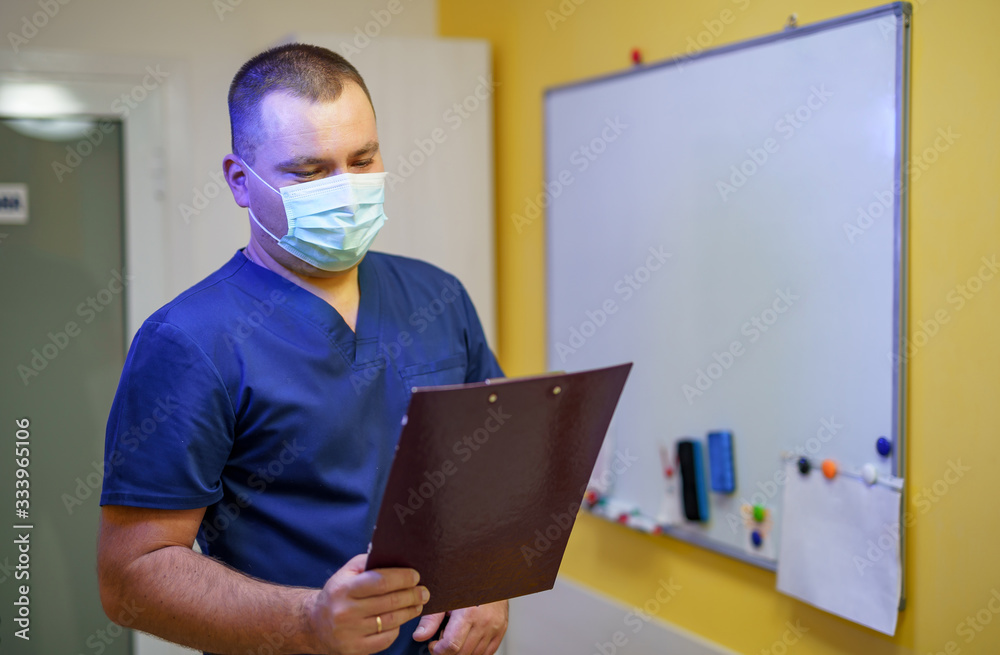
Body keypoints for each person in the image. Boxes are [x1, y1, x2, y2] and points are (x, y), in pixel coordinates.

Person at [97, 43, 508, 655]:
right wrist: (309, 620)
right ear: (241, 181)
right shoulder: (189, 341)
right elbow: (132, 578)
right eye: (311, 172)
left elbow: (496, 467)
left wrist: (494, 580)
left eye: (363, 159)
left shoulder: (437, 295)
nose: (346, 191)